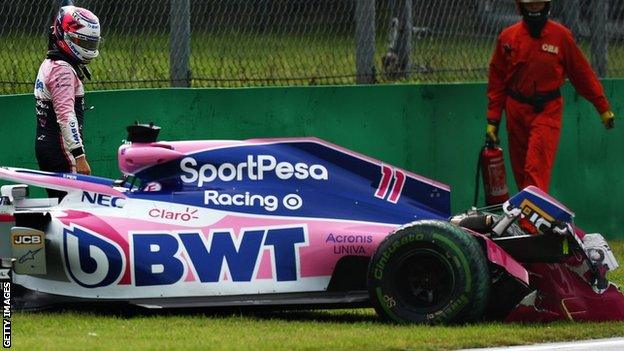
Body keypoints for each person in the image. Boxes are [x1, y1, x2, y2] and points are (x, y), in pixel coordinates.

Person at [485, 0, 615, 194]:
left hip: (547, 111)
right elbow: (498, 80)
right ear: (521, 6)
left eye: (538, 4)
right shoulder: (508, 37)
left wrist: (602, 108)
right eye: (530, 5)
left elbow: (582, 74)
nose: (534, 8)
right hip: (516, 111)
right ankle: (528, 219)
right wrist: (493, 120)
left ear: (547, 5)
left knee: (535, 169)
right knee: (521, 174)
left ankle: (531, 224)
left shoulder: (560, 36)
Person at [34, 5, 101, 198]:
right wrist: (79, 156)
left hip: (49, 148)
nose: (88, 48)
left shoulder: (50, 63)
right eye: (82, 42)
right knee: (76, 206)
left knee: (61, 206)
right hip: (62, 151)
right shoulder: (62, 70)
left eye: (91, 43)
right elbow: (65, 116)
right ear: (65, 36)